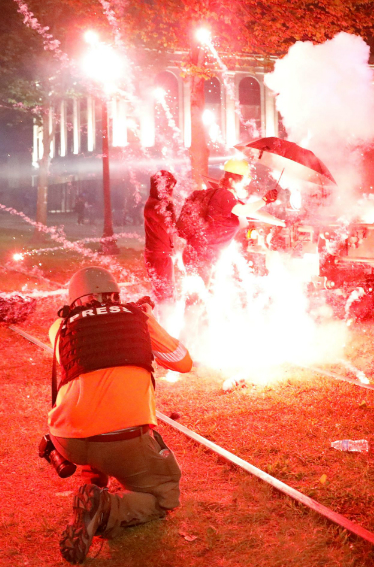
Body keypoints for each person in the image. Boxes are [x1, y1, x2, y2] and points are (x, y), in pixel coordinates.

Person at [47, 266, 192, 564]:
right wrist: (147, 321)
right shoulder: (137, 317)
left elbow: (88, 356)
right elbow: (182, 362)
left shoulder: (58, 327)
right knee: (163, 497)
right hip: (123, 437)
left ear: (74, 300)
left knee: (90, 420)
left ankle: (92, 487)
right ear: (115, 293)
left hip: (67, 438)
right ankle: (106, 509)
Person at [178, 157, 277, 279]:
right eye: (244, 181)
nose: (247, 185)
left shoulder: (228, 198)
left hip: (200, 255)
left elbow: (255, 213)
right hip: (201, 256)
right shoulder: (225, 195)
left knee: (203, 295)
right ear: (231, 180)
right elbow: (244, 211)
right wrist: (265, 200)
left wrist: (280, 222)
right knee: (199, 297)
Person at [143, 170, 177, 303]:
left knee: (165, 292)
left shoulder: (156, 203)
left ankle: (164, 318)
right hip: (159, 254)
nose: (170, 192)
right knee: (164, 294)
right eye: (168, 188)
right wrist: (170, 202)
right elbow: (171, 224)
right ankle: (163, 320)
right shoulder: (155, 205)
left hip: (161, 253)